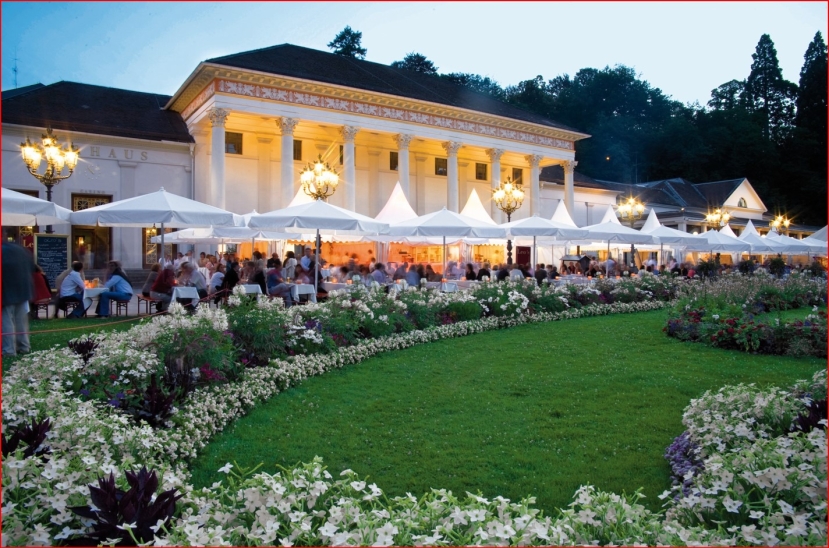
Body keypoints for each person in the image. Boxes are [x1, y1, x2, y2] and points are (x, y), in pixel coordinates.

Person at [2, 234, 35, 355]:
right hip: (24, 289)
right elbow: (32, 267)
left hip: (6, 290)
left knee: (6, 321)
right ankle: (24, 346)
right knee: (20, 320)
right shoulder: (21, 250)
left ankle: (8, 350)